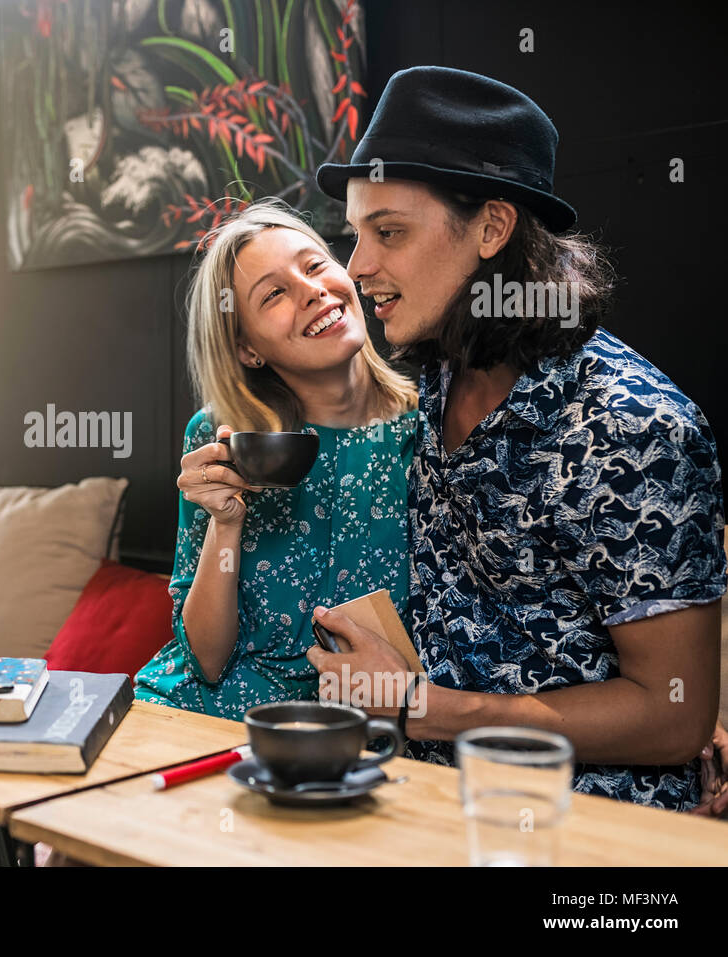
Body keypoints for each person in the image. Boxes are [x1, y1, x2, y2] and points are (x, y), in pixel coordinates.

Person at [308, 65, 725, 811]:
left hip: (586, 829)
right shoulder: (433, 381)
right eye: (355, 235)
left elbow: (677, 715)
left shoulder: (632, 424)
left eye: (389, 232)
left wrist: (422, 705)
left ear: (493, 228)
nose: (356, 266)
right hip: (422, 800)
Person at [133, 198, 418, 719]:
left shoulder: (428, 431)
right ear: (247, 349)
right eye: (274, 295)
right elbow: (206, 662)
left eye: (314, 266)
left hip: (355, 736)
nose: (313, 292)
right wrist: (225, 524)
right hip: (202, 719)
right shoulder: (225, 438)